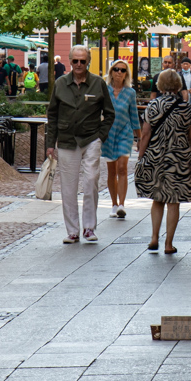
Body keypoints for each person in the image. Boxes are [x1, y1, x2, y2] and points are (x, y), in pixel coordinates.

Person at [46, 45, 116, 243]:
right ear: (70, 61)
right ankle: (72, 231)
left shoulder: (98, 83)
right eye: (75, 61)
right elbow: (52, 114)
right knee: (68, 187)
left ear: (88, 62)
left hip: (91, 139)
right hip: (67, 141)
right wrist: (51, 143)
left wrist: (101, 135)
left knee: (91, 180)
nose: (78, 64)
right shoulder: (60, 84)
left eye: (82, 61)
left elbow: (109, 113)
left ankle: (89, 227)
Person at [135, 69, 191, 255]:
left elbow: (146, 133)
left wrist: (141, 156)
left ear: (160, 85)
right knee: (174, 201)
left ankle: (154, 237)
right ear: (179, 85)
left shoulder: (153, 105)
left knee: (157, 199)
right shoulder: (186, 107)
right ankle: (168, 244)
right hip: (179, 159)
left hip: (155, 156)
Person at [102, 59, 141, 218]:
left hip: (124, 134)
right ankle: (113, 204)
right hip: (109, 134)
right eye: (116, 69)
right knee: (111, 170)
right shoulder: (104, 90)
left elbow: (134, 116)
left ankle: (122, 205)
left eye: (122, 70)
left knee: (122, 168)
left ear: (126, 74)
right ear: (111, 72)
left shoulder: (130, 93)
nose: (119, 72)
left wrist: (139, 138)